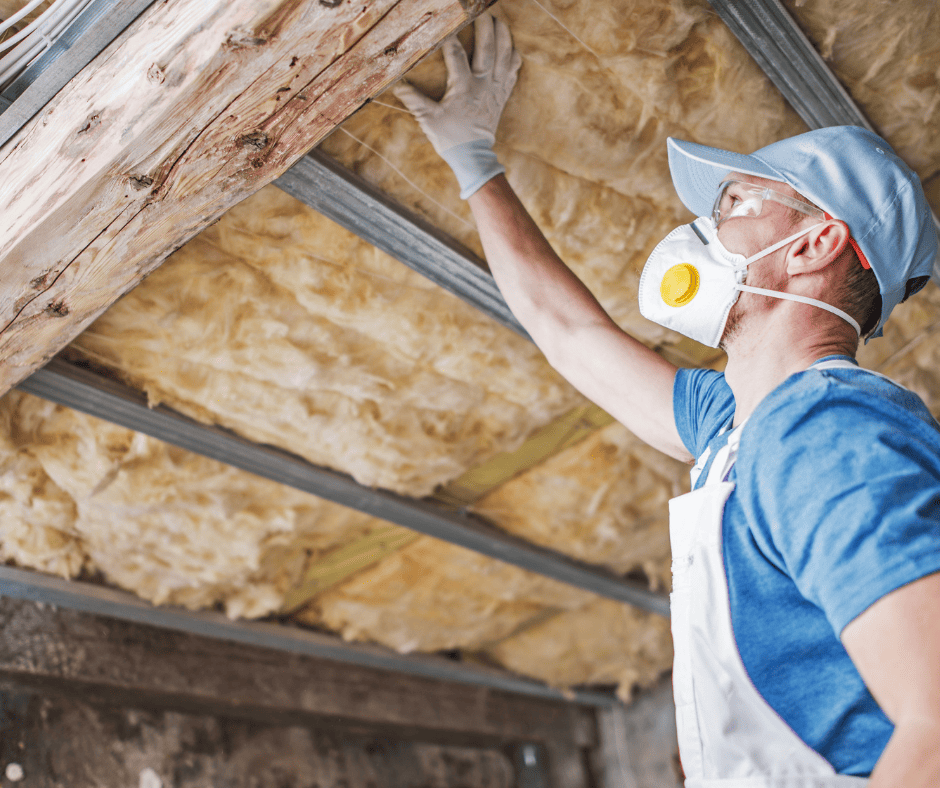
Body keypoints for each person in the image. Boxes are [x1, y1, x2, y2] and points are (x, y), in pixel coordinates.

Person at [393, 14, 940, 787]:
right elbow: (570, 332)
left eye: (738, 204)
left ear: (817, 244)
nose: (704, 228)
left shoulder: (824, 430)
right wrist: (473, 160)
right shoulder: (738, 431)